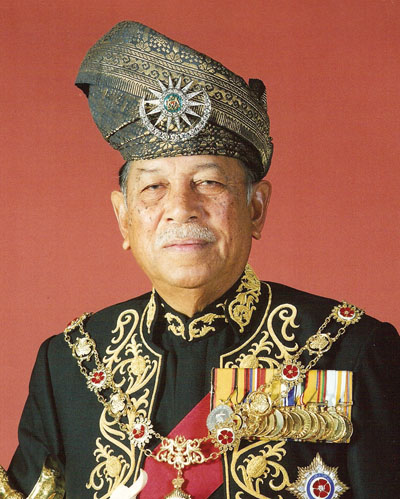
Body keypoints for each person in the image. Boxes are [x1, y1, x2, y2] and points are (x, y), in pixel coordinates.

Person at [1, 21, 399, 499]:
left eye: (208, 182)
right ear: (123, 218)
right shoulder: (70, 364)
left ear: (256, 208)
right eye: (153, 187)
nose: (181, 208)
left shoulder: (349, 350)